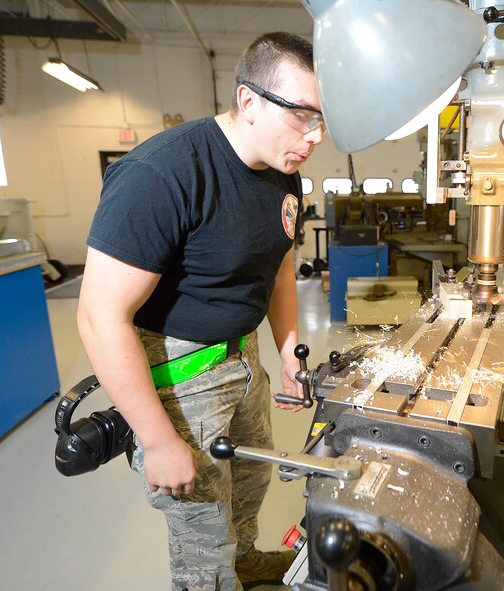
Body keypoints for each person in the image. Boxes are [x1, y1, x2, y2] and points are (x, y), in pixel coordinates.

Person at [77, 31, 324, 591]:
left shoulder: (284, 170)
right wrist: (158, 440)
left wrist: (288, 351)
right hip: (180, 373)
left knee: (250, 485)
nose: (314, 136)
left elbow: (280, 267)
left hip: (244, 359)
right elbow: (99, 317)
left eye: (321, 121)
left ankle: (243, 564)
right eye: (302, 116)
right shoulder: (161, 174)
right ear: (249, 101)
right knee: (202, 529)